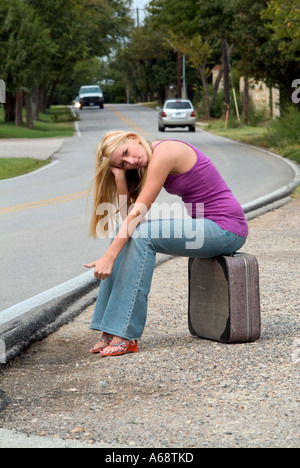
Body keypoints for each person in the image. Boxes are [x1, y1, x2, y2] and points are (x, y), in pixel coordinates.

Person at [85, 131, 248, 357]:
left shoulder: (165, 152)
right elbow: (127, 218)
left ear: (133, 138)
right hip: (205, 228)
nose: (131, 161)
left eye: (126, 153)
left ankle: (125, 334)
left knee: (143, 235)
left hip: (226, 229)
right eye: (123, 163)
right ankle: (109, 329)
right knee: (121, 233)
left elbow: (138, 215)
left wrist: (109, 257)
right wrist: (121, 178)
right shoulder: (145, 161)